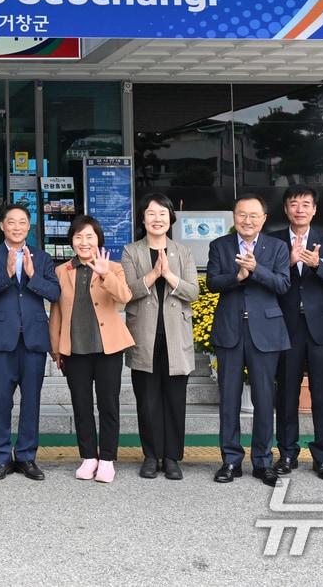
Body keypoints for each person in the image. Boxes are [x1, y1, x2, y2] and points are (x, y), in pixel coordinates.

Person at [206, 194, 290, 486]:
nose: (247, 220)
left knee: (264, 399)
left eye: (254, 215)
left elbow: (282, 284)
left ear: (264, 219)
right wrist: (238, 276)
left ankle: (263, 461)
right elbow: (213, 282)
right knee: (228, 398)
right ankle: (230, 460)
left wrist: (256, 270)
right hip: (230, 329)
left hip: (265, 332)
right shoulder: (220, 246)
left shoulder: (278, 247)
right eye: (242, 214)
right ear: (234, 216)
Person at [268, 185, 323, 480]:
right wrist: (288, 262)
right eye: (294, 204)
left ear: (314, 210)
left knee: (322, 393)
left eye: (306, 204)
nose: (299, 209)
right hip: (285, 326)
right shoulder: (273, 242)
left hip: (320, 328)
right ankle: (287, 453)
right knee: (286, 391)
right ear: (286, 209)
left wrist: (316, 266)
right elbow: (268, 280)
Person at [0, 203, 60, 482]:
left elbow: (55, 293)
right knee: (1, 400)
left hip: (34, 338)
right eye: (11, 222)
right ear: (2, 225)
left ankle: (26, 456)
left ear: (29, 226)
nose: (16, 227)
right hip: (2, 340)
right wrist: (8, 274)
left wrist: (33, 275)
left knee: (32, 400)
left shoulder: (42, 257)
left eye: (22, 222)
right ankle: (1, 457)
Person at [47, 215, 133, 482]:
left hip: (108, 348)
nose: (84, 242)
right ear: (71, 241)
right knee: (81, 404)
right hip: (75, 349)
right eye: (78, 237)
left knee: (109, 404)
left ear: (99, 240)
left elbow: (125, 298)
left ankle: (107, 459)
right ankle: (88, 457)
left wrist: (104, 273)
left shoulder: (114, 267)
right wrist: (56, 349)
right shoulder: (62, 271)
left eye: (90, 237)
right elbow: (56, 313)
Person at [121, 193, 199, 481]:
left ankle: (172, 457)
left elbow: (193, 292)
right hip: (144, 335)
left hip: (176, 337)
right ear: (143, 219)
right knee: (148, 399)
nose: (157, 219)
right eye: (151, 213)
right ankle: (151, 456)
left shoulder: (184, 251)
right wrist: (154, 274)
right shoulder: (132, 251)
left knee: (175, 399)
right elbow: (127, 291)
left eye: (162, 213)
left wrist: (170, 276)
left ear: (170, 219)